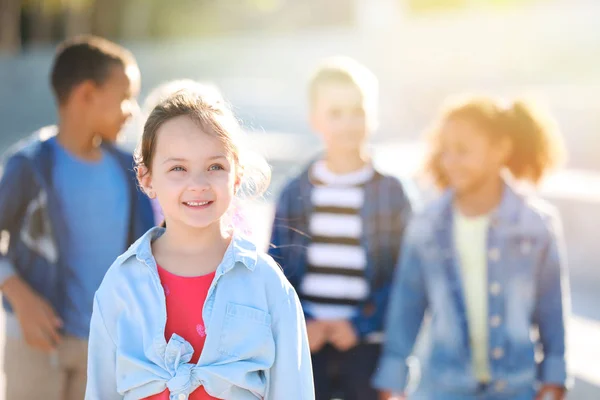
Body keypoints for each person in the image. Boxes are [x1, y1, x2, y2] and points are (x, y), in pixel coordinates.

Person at [85, 88, 314, 399]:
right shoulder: (121, 283)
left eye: (215, 167)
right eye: (178, 168)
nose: (198, 184)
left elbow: (294, 391)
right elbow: (101, 391)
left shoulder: (266, 283)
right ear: (147, 178)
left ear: (236, 176)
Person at [374, 96, 570, 400]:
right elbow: (406, 307)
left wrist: (554, 378)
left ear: (500, 149)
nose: (451, 161)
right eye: (446, 151)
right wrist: (393, 379)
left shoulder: (536, 225)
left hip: (517, 389)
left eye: (463, 151)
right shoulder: (426, 226)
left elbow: (552, 309)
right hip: (442, 389)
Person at [0, 35, 154, 400]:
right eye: (124, 96)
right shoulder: (30, 165)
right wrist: (16, 292)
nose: (131, 110)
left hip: (106, 346)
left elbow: (150, 248)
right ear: (86, 93)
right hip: (36, 345)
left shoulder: (127, 170)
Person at [268, 56, 414, 400]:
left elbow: (403, 277)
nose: (349, 122)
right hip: (308, 344)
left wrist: (360, 325)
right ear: (315, 120)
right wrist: (305, 321)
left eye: (358, 111)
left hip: (365, 347)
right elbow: (277, 268)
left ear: (373, 115)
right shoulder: (296, 191)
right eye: (336, 113)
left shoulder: (392, 193)